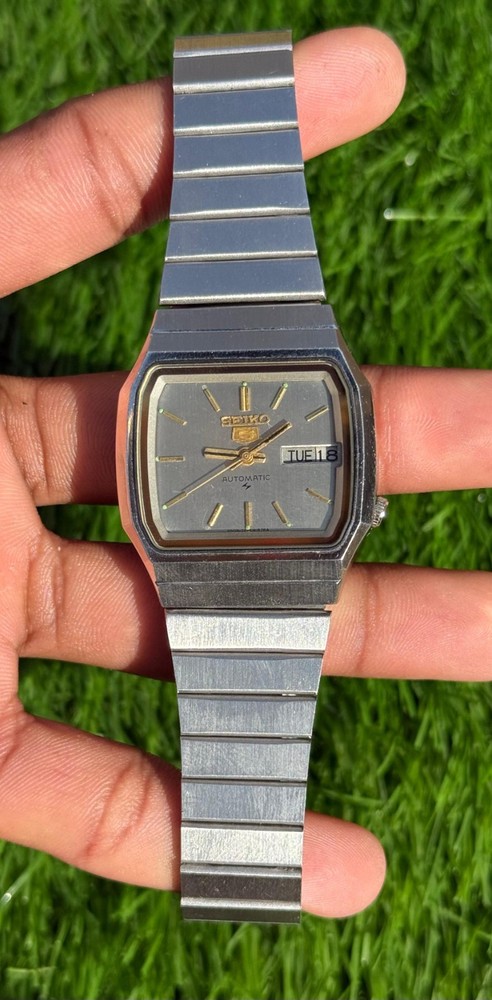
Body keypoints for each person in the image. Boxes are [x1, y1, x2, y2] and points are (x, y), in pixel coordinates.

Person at [0, 27, 490, 921]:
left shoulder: (293, 433)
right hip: (200, 548)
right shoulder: (193, 448)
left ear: (361, 500)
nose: (246, 457)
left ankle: (244, 867)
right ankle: (240, 867)